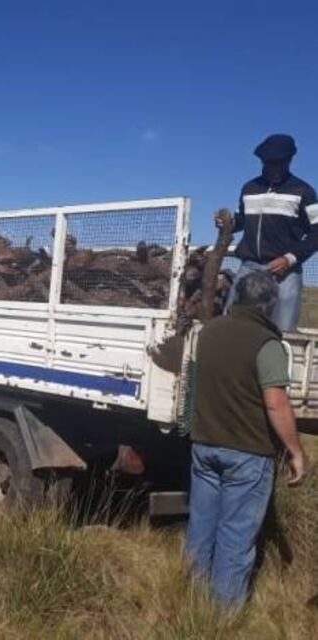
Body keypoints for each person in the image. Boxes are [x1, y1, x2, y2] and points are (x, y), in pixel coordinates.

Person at [185, 271, 308, 608]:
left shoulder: (208, 332)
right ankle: (223, 616)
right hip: (247, 453)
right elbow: (276, 402)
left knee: (202, 526)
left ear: (237, 296)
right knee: (236, 537)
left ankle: (192, 599)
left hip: (204, 446)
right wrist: (296, 452)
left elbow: (195, 383)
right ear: (270, 304)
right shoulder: (267, 344)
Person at [216, 134, 318, 332]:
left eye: (280, 162)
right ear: (263, 161)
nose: (275, 167)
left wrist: (290, 259)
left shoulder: (303, 191)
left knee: (283, 330)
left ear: (289, 160)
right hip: (250, 266)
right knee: (232, 322)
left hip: (286, 271)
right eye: (270, 163)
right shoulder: (250, 188)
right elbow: (242, 220)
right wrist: (227, 223)